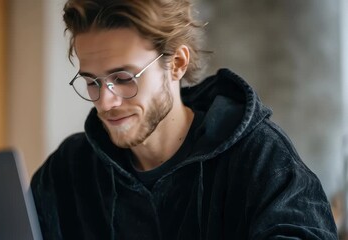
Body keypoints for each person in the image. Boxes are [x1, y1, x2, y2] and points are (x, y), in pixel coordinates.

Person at [30, 0, 338, 239]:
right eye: (92, 82)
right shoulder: (68, 170)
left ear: (176, 63)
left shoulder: (261, 159)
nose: (106, 101)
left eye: (123, 78)